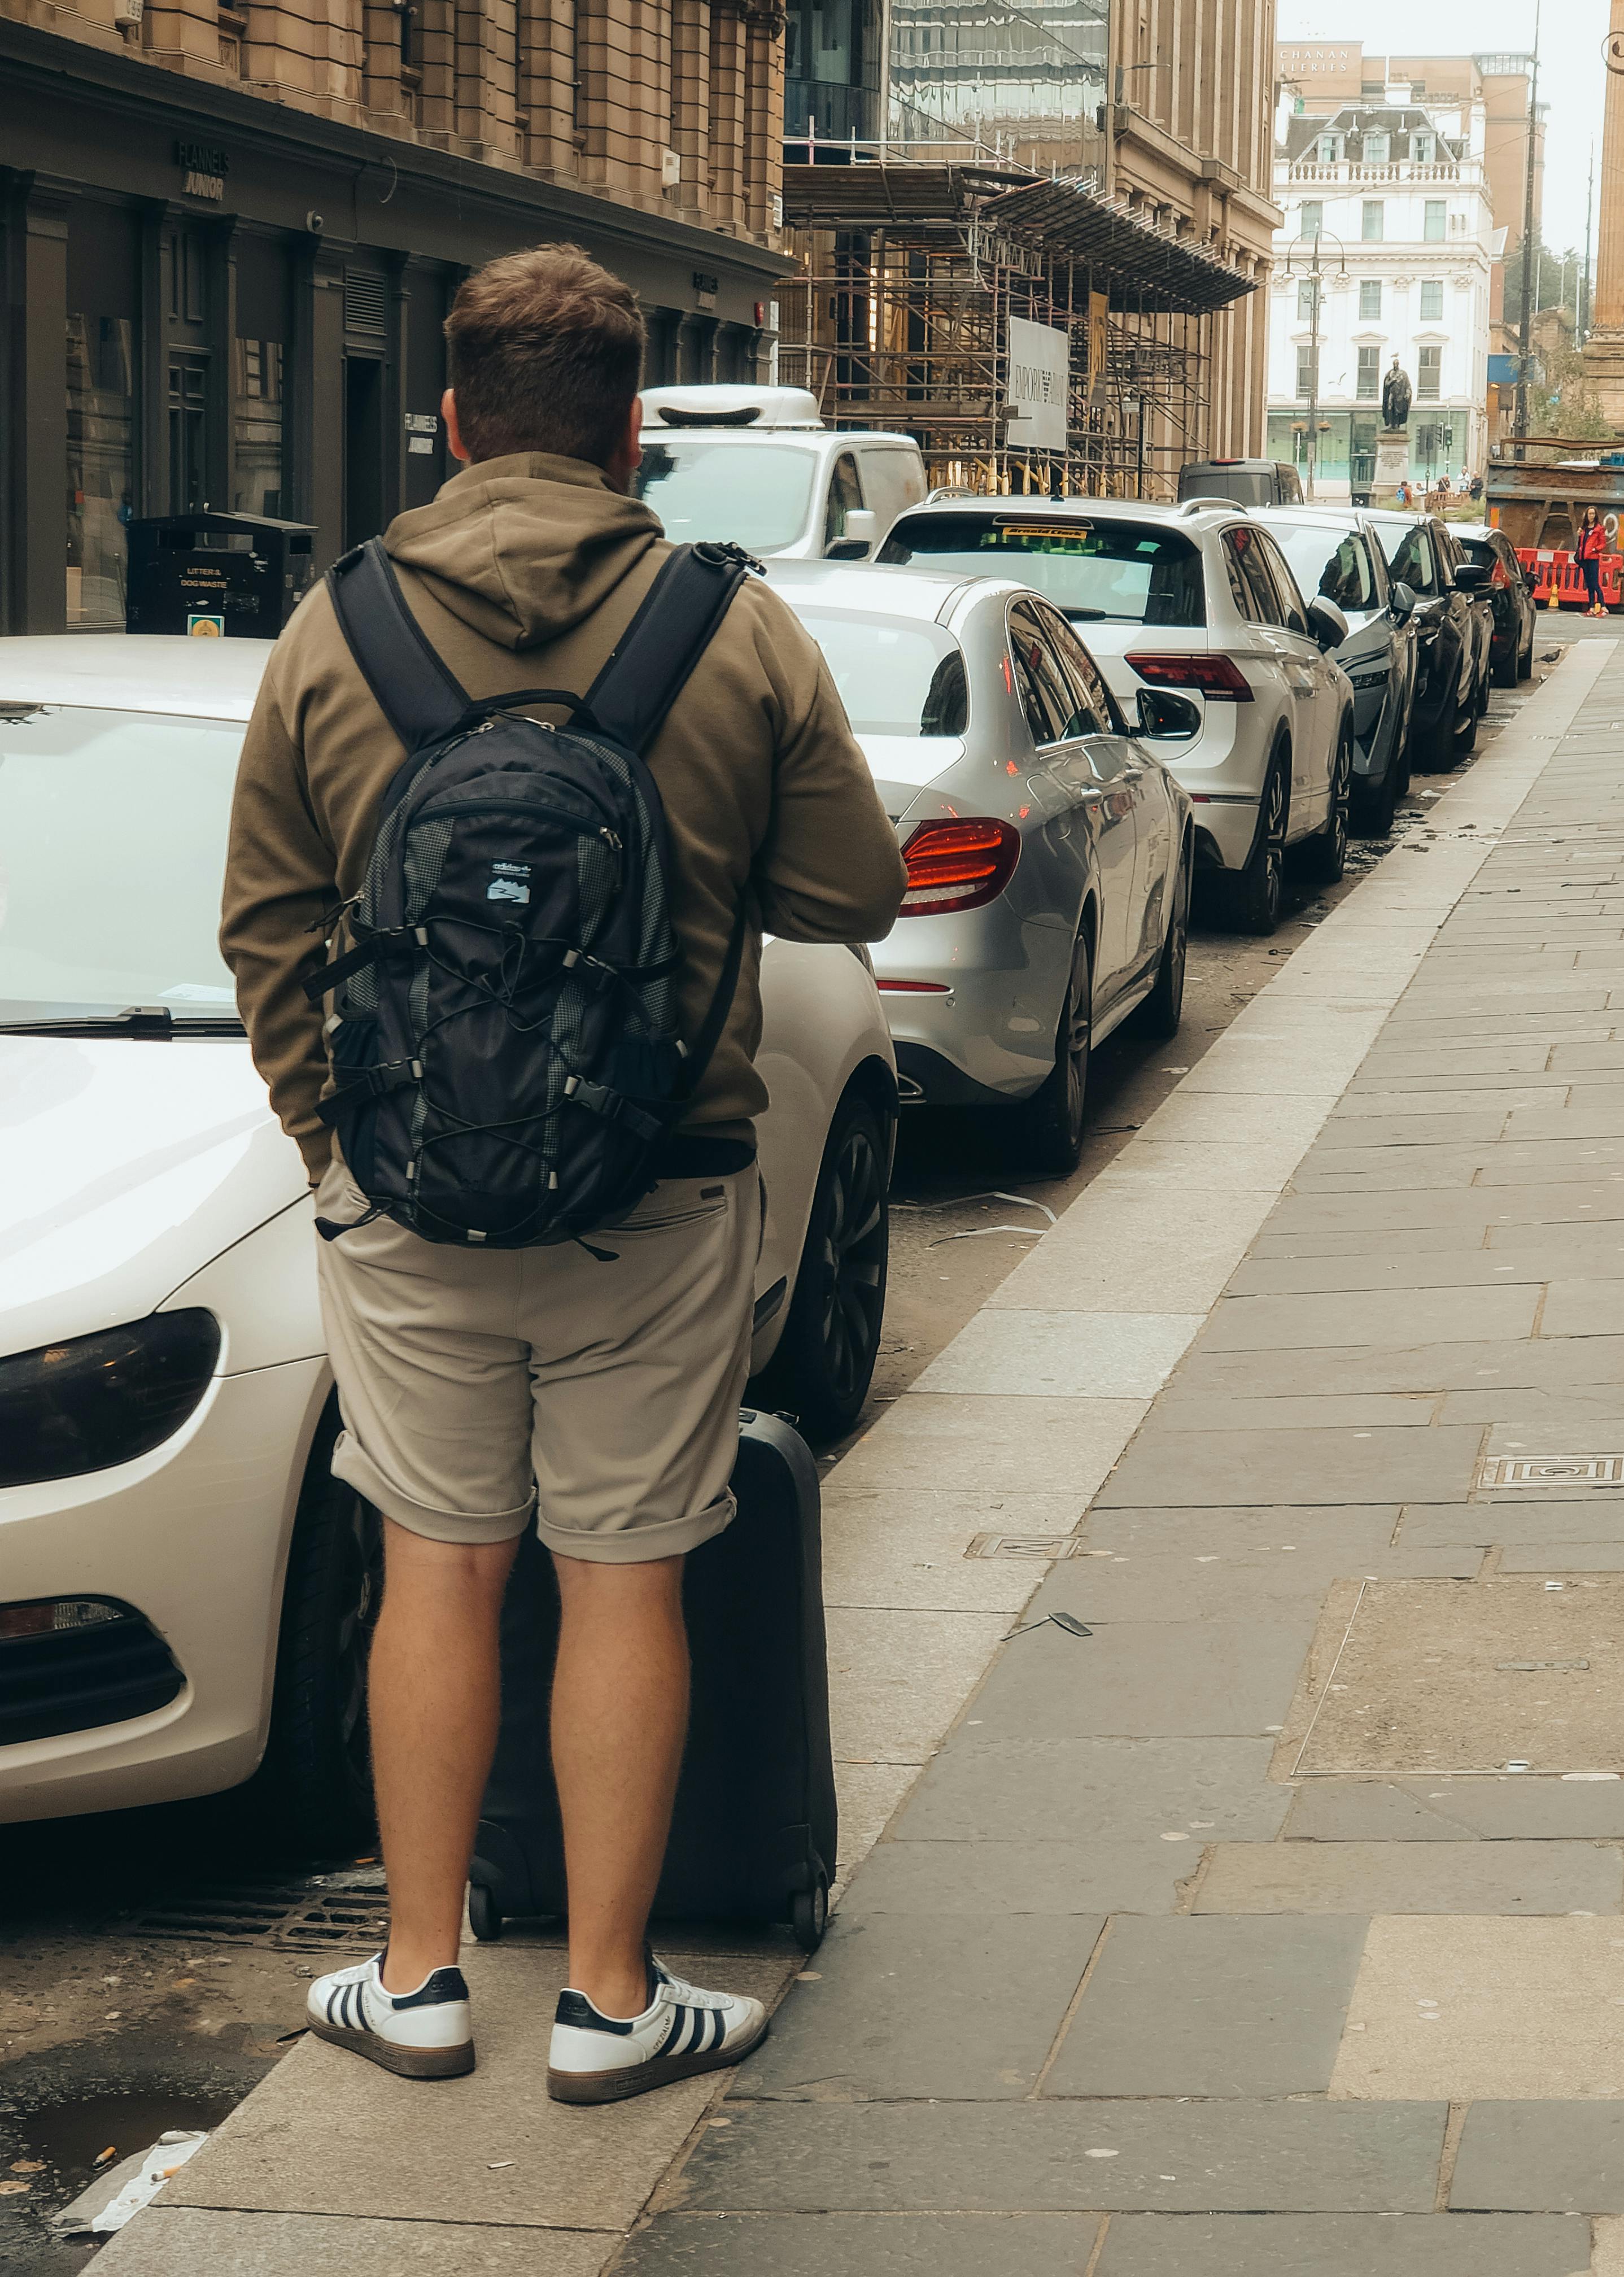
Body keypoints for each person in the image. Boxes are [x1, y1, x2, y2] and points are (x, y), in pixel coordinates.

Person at [221, 242, 907, 2101]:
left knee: (435, 1569)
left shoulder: (334, 623)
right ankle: (611, 2001)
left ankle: (422, 1976)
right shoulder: (732, 627)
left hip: (409, 1202)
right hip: (660, 1194)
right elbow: (851, 893)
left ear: (451, 422)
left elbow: (265, 928)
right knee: (625, 1578)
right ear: (630, 436)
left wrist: (334, 1147)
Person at [1578, 509, 1609, 617]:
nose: (1591, 516)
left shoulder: (1599, 529)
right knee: (1589, 584)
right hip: (1585, 559)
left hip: (1593, 559)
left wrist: (1595, 550)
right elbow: (1581, 544)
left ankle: (1604, 607)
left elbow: (1603, 544)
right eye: (1590, 514)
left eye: (1593, 514)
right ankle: (1591, 607)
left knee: (1595, 583)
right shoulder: (1584, 529)